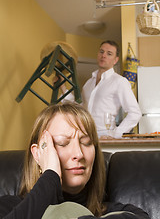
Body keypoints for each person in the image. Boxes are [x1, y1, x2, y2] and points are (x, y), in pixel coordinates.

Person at [0, 102, 149, 219]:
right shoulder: (8, 207)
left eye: (86, 142)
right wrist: (51, 175)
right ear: (39, 154)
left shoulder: (120, 213)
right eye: (62, 143)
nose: (79, 153)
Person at [59, 40, 142, 138]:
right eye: (101, 52)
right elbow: (79, 107)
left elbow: (135, 113)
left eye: (109, 53)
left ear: (115, 60)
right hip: (85, 135)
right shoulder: (89, 83)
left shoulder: (120, 81)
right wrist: (62, 87)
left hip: (106, 136)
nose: (104, 55)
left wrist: (115, 135)